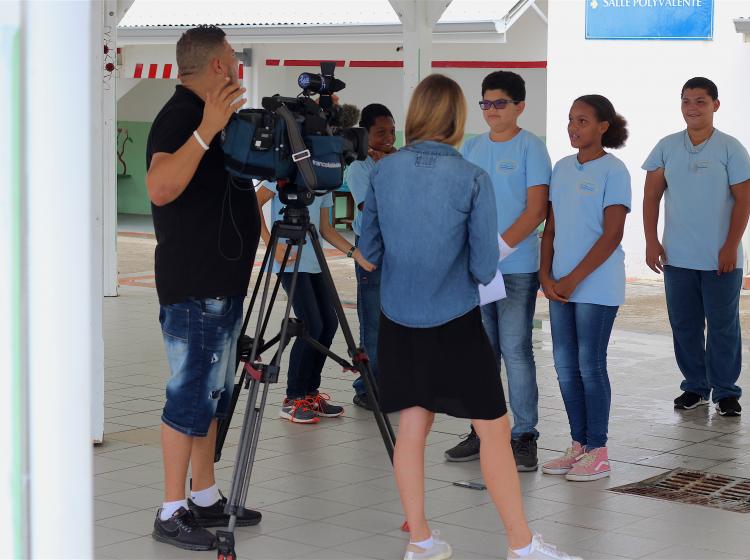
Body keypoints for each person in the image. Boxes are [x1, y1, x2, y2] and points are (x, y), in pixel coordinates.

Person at [360, 73, 580, 560]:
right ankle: (521, 545)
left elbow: (369, 250)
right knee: (495, 432)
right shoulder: (471, 177)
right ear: (458, 119)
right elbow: (483, 265)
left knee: (411, 431)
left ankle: (420, 540)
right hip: (455, 321)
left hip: (398, 318)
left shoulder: (383, 171)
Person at [145, 25, 261, 551]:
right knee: (189, 396)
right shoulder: (181, 116)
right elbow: (161, 186)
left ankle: (206, 495)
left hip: (220, 282)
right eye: (232, 57)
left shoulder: (216, 120)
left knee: (212, 397)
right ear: (217, 66)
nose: (236, 64)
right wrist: (206, 130)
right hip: (194, 286)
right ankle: (171, 509)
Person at [443, 71, 550, 471]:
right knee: (481, 354)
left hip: (516, 268)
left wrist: (497, 249)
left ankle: (524, 436)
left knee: (516, 350)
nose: (491, 110)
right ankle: (483, 430)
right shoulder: (471, 147)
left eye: (500, 103)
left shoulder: (531, 148)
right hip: (476, 270)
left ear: (520, 106)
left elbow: (536, 210)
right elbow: (460, 204)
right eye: (485, 103)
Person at [643, 77, 750, 417]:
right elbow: (650, 197)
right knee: (685, 325)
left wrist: (730, 246)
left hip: (722, 258)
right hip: (677, 258)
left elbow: (744, 201)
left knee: (723, 326)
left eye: (700, 101)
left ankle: (726, 392)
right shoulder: (666, 146)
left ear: (715, 105)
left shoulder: (731, 148)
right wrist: (651, 241)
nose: (692, 107)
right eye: (686, 100)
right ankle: (695, 388)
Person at [539, 95, 630, 482]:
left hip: (595, 287)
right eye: (571, 120)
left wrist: (573, 279)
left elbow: (612, 236)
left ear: (603, 127)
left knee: (590, 366)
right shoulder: (561, 169)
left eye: (583, 121)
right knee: (564, 367)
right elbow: (551, 229)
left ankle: (599, 450)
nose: (574, 128)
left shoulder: (615, 171)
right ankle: (578, 445)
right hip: (560, 287)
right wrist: (546, 275)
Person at [255, 180, 375, 423]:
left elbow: (325, 229)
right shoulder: (286, 168)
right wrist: (271, 245)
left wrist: (355, 253)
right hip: (288, 260)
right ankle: (293, 398)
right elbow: (252, 203)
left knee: (329, 324)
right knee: (311, 324)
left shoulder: (325, 177)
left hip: (314, 263)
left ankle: (310, 394)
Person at [344, 103, 397, 410]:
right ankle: (366, 388)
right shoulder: (359, 167)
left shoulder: (394, 159)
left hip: (398, 247)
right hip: (372, 249)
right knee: (373, 321)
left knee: (394, 321)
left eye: (391, 131)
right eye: (381, 132)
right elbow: (374, 209)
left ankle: (389, 384)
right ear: (365, 134)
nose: (389, 137)